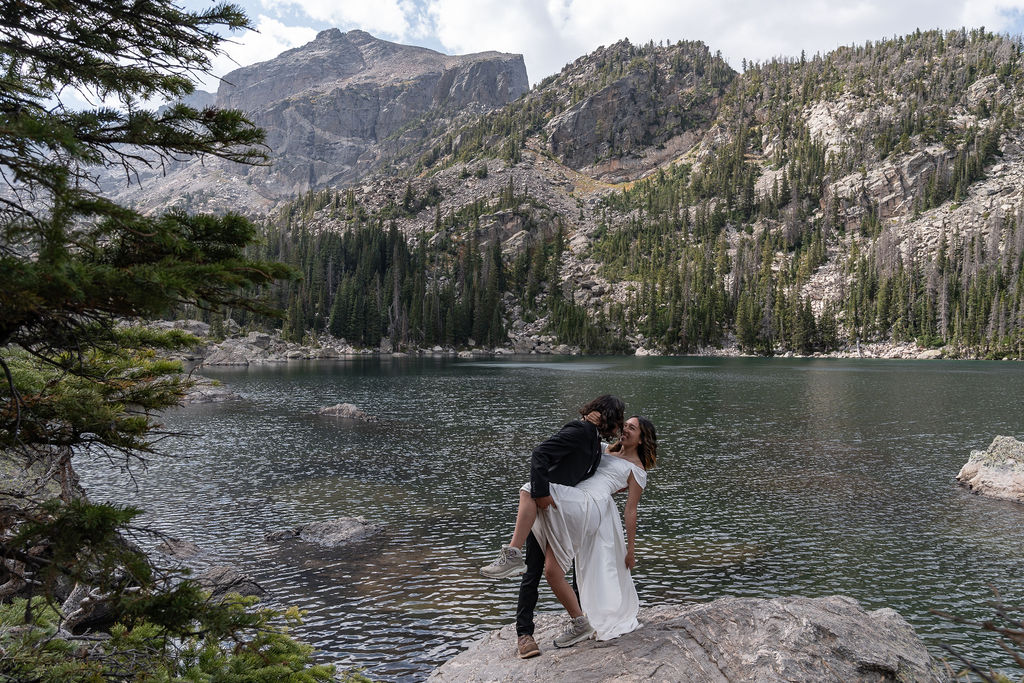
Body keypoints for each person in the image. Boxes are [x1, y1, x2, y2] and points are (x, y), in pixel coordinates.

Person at [480, 395, 625, 659]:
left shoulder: (593, 440)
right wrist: (542, 493)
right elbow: (540, 454)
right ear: (607, 417)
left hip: (566, 511)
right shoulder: (581, 430)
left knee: (564, 570)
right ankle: (525, 635)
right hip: (546, 506)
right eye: (617, 418)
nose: (619, 424)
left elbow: (611, 453)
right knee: (533, 573)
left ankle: (580, 622)